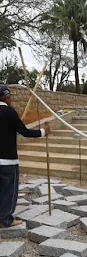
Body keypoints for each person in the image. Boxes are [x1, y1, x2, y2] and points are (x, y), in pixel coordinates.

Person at [0, 86, 50, 229]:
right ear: (7, 98)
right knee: (9, 191)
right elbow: (24, 132)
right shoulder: (9, 112)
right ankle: (5, 220)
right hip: (8, 161)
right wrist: (43, 132)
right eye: (11, 97)